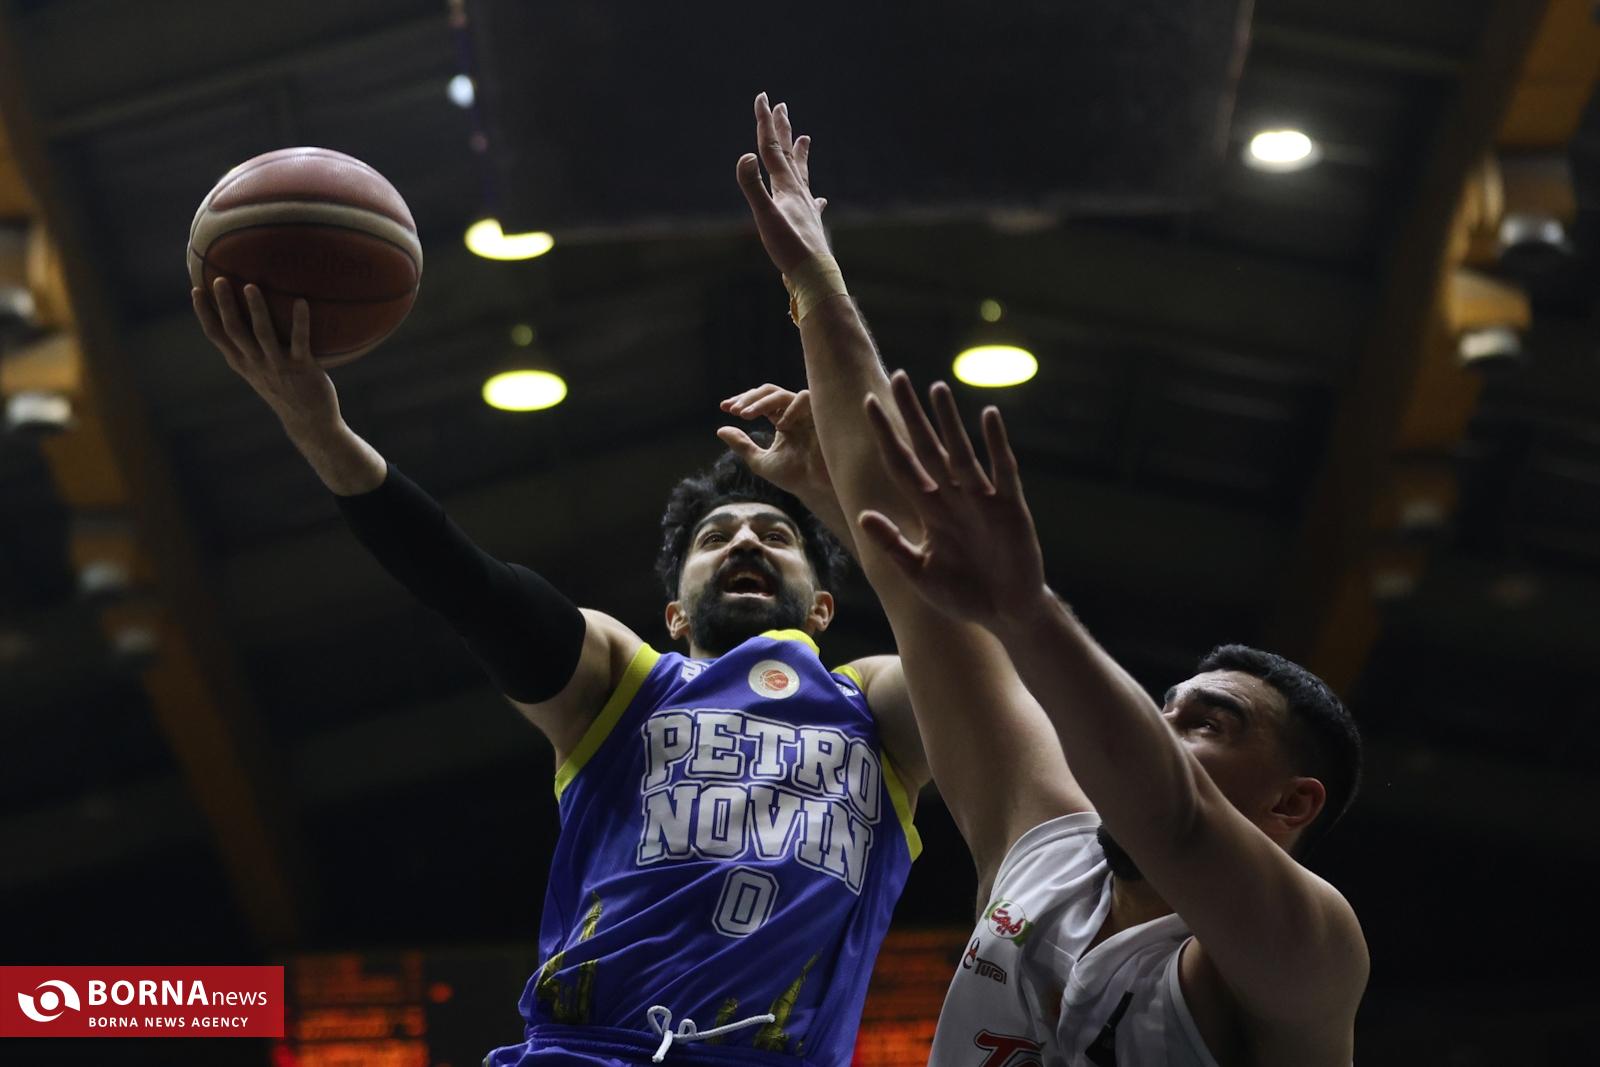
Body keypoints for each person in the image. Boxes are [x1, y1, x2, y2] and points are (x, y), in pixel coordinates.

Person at [731, 92, 1369, 1064]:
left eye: (1209, 723)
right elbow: (912, 572)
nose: (1162, 725)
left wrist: (1026, 611)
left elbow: (1176, 818)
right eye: (1166, 706)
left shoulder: (1306, 954)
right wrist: (816, 283)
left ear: (1291, 804)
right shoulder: (1046, 851)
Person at [190, 278, 928, 1066]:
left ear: (822, 607)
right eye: (715, 538)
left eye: (776, 535)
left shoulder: (876, 703)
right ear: (675, 614)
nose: (745, 540)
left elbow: (964, 633)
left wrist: (845, 488)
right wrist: (324, 433)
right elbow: (471, 587)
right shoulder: (626, 683)